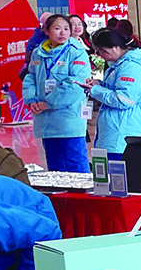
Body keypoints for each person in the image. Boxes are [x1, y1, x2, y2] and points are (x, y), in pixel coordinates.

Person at [21, 13, 92, 172]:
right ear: (47, 31)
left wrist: (48, 103)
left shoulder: (77, 52)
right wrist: (31, 100)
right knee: (55, 167)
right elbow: (30, 77)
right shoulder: (38, 53)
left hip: (68, 119)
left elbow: (76, 83)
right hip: (46, 121)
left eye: (66, 29)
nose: (63, 33)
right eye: (57, 28)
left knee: (76, 164)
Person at [88, 29, 141, 159]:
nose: (100, 56)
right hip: (115, 128)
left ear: (116, 47)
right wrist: (99, 85)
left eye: (102, 51)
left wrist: (95, 90)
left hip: (123, 131)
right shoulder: (120, 65)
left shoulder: (131, 68)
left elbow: (123, 100)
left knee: (118, 169)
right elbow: (116, 90)